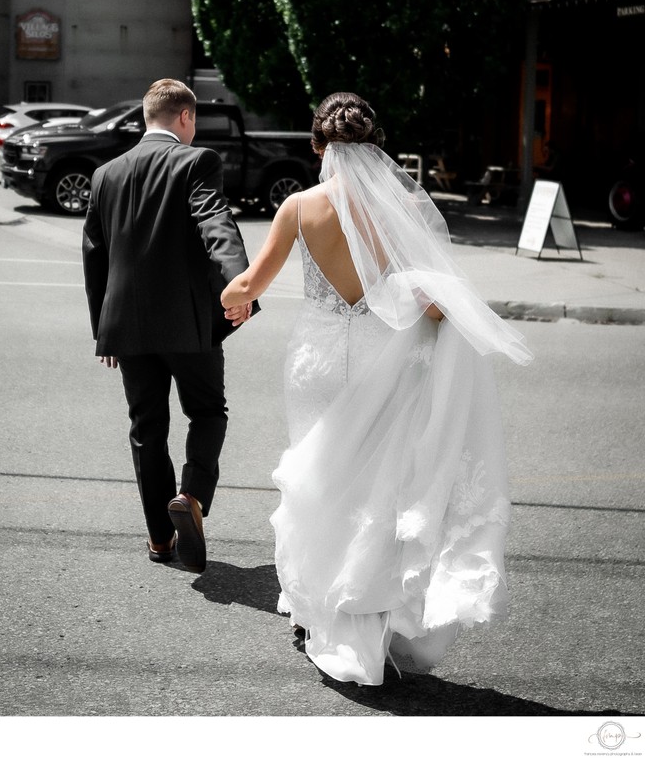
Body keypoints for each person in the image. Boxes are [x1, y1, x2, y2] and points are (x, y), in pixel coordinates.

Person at [221, 92, 533, 685]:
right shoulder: (399, 212)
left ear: (318, 147)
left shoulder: (298, 206)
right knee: (373, 487)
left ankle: (316, 603)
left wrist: (229, 299)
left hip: (315, 360)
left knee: (319, 480)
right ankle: (365, 606)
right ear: (377, 148)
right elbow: (435, 298)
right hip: (377, 357)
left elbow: (248, 284)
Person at [82, 79, 253, 574]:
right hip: (187, 322)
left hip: (126, 327)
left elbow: (95, 256)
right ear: (184, 118)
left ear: (145, 116)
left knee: (146, 429)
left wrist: (103, 329)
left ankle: (160, 538)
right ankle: (192, 498)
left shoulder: (105, 174)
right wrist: (239, 282)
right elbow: (214, 220)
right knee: (207, 411)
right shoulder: (196, 161)